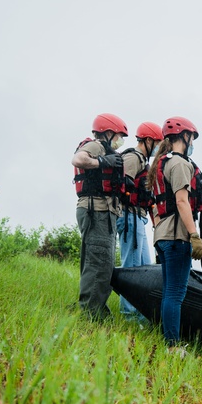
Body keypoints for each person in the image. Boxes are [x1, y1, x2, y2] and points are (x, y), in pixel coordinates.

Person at [147, 116, 202, 354]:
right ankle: (172, 346)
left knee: (169, 292)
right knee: (175, 293)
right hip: (176, 236)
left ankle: (168, 340)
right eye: (192, 138)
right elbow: (182, 201)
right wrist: (194, 236)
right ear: (185, 136)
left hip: (162, 236)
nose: (192, 142)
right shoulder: (180, 163)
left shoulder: (161, 162)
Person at [71, 113, 128, 320]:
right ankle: (91, 313)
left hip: (101, 211)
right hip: (96, 211)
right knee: (99, 262)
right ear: (109, 132)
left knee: (101, 262)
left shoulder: (105, 149)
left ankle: (94, 308)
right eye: (119, 135)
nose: (120, 140)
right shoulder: (97, 146)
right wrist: (102, 161)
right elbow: (77, 159)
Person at [117, 121, 162, 322]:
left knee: (144, 266)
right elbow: (121, 187)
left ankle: (140, 313)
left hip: (138, 216)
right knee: (133, 267)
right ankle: (129, 314)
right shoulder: (133, 158)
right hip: (128, 215)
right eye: (158, 143)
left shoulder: (142, 161)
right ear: (149, 140)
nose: (160, 148)